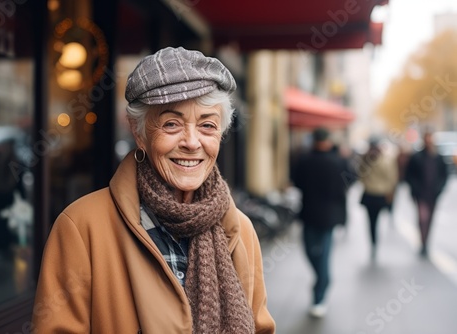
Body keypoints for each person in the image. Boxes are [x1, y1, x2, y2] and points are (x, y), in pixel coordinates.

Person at [32, 47, 275, 333]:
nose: (192, 142)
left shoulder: (240, 230)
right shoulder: (81, 227)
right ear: (140, 133)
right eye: (172, 124)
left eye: (207, 125)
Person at [292, 127, 350, 318]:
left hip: (312, 213)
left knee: (313, 251)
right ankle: (322, 281)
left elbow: (296, 181)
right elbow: (347, 184)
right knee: (321, 253)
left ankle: (320, 292)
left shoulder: (305, 160)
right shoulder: (337, 161)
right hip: (327, 215)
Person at [405, 131, 448, 257]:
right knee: (423, 218)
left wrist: (439, 189)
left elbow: (444, 175)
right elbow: (410, 175)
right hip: (420, 194)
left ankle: (426, 242)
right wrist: (415, 189)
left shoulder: (438, 157)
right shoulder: (417, 157)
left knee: (430, 219)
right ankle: (423, 243)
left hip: (433, 194)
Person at [358, 137, 398, 260]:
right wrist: (390, 190)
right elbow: (392, 177)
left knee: (371, 221)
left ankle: (373, 241)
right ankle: (375, 241)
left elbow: (360, 176)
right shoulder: (386, 160)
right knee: (377, 219)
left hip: (370, 193)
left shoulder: (365, 160)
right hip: (381, 194)